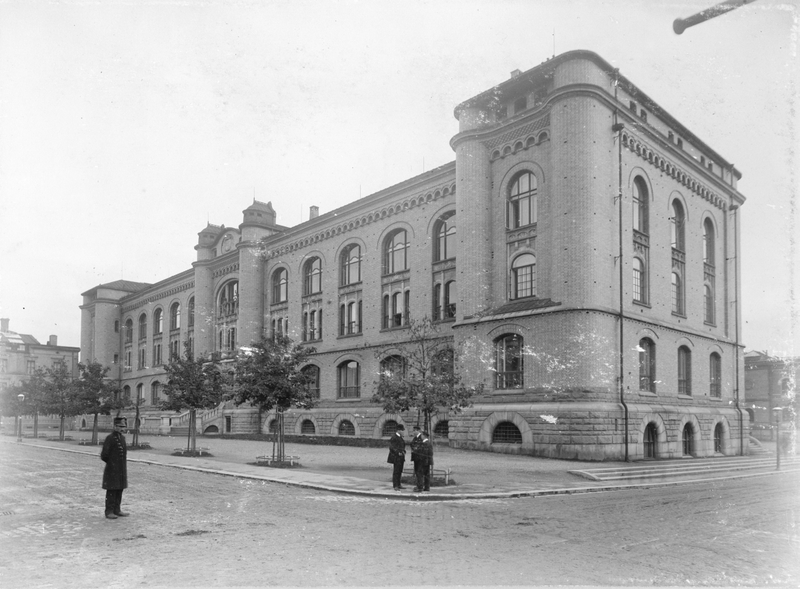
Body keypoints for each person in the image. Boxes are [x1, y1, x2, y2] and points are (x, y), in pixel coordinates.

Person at [101, 417, 129, 519]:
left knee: (119, 490)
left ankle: (117, 510)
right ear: (115, 426)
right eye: (120, 426)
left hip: (121, 470)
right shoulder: (110, 438)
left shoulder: (122, 438)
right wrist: (112, 464)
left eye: (124, 427)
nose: (122, 429)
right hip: (112, 470)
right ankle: (109, 511)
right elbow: (104, 455)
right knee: (112, 491)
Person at [386, 424, 406, 490]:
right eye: (402, 430)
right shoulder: (394, 437)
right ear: (399, 430)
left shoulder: (400, 437)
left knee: (400, 471)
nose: (403, 432)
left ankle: (399, 484)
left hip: (401, 457)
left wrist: (403, 451)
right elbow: (392, 447)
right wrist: (398, 452)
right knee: (396, 471)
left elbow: (402, 446)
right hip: (396, 457)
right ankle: (395, 485)